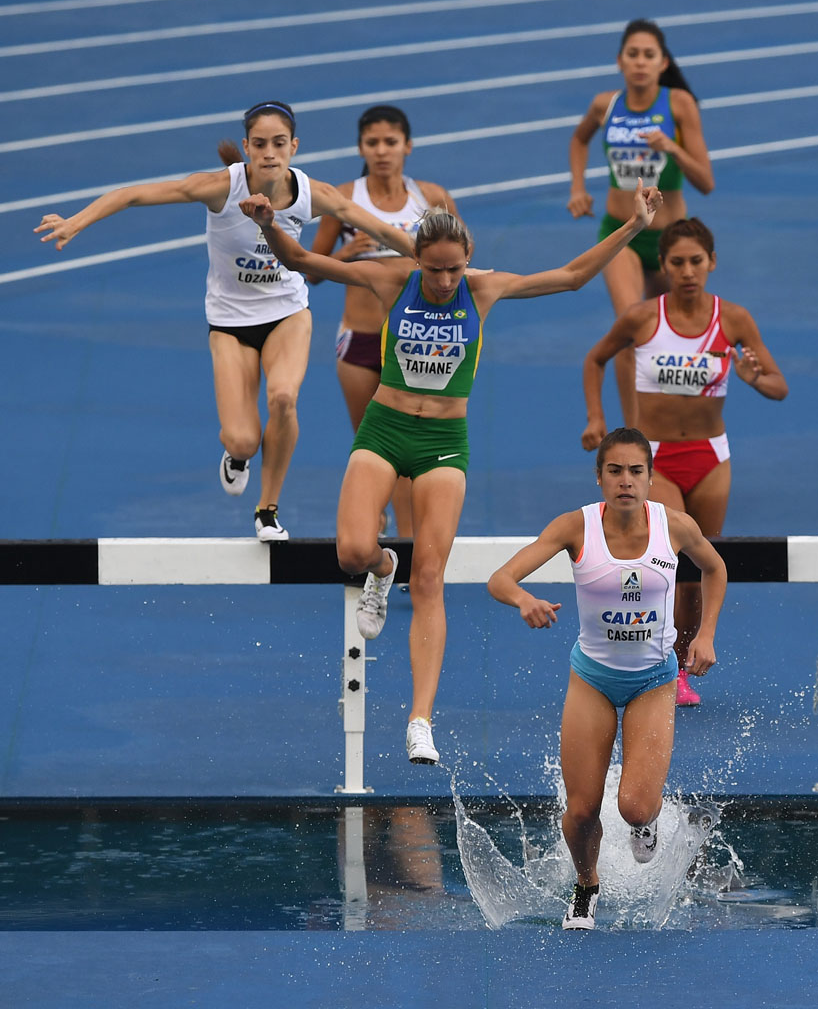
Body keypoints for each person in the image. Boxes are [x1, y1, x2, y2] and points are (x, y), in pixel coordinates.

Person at [240, 179, 663, 765]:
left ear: (468, 261)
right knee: (352, 552)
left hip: (443, 442)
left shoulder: (482, 291)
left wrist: (635, 226)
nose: (444, 283)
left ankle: (420, 719)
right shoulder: (391, 279)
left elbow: (570, 277)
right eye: (435, 271)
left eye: (454, 271)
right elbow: (303, 259)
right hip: (385, 431)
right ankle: (384, 566)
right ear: (416, 259)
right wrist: (267, 225)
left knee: (432, 576)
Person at [34, 100, 415, 541]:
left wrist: (442, 264)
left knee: (284, 398)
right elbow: (134, 194)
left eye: (278, 143)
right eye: (259, 144)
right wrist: (75, 222)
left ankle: (268, 510)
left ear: (294, 146)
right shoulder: (220, 188)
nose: (269, 153)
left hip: (287, 313)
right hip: (230, 322)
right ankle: (236, 457)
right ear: (248, 147)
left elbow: (386, 232)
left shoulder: (313, 194)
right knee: (241, 440)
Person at [487, 428, 727, 931]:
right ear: (599, 478)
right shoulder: (575, 528)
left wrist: (703, 636)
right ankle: (586, 885)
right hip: (592, 681)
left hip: (653, 682)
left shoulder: (675, 526)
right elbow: (500, 579)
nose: (625, 481)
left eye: (635, 471)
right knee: (580, 813)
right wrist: (524, 600)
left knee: (636, 807)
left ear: (650, 477)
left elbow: (715, 568)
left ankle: (650, 823)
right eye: (614, 471)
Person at [581, 218, 787, 706]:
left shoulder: (733, 319)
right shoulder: (643, 318)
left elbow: (779, 386)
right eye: (678, 262)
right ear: (663, 265)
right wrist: (597, 418)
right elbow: (595, 359)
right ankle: (654, 665)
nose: (688, 270)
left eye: (697, 261)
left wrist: (755, 379)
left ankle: (680, 663)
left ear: (712, 263)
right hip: (658, 459)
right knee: (668, 564)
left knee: (697, 566)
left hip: (711, 456)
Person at [309, 105, 459, 537]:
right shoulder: (341, 197)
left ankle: (409, 549)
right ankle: (374, 535)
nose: (381, 151)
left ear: (407, 146)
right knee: (373, 452)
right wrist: (346, 254)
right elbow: (313, 270)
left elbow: (462, 260)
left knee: (410, 455)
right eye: (372, 143)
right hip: (358, 341)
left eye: (390, 142)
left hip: (414, 345)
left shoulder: (430, 197)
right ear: (360, 147)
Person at [568, 19, 714, 427]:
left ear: (662, 63)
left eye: (649, 55)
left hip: (673, 243)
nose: (640, 62)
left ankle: (681, 422)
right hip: (623, 233)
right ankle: (638, 437)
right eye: (632, 54)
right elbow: (579, 139)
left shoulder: (679, 105)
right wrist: (578, 187)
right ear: (620, 61)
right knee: (631, 329)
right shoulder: (605, 105)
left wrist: (672, 148)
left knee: (680, 333)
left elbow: (706, 181)